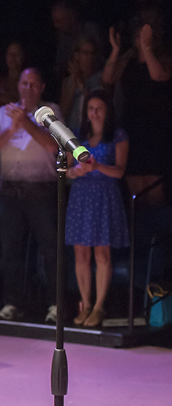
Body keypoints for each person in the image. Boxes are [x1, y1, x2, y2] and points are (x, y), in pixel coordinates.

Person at [0, 68, 62, 323]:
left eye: (33, 84)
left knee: (51, 250)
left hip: (42, 191)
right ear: (18, 86)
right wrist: (11, 128)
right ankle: (12, 302)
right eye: (24, 83)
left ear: (41, 88)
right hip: (10, 192)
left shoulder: (51, 111)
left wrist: (26, 122)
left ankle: (56, 305)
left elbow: (53, 146)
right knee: (11, 251)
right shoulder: (4, 113)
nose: (28, 88)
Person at [65, 89, 130, 327]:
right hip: (81, 197)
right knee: (81, 253)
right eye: (91, 108)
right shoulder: (78, 137)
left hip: (104, 197)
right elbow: (66, 170)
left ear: (107, 110)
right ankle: (86, 303)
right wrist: (75, 171)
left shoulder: (117, 136)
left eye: (99, 108)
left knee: (102, 253)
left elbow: (120, 171)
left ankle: (100, 306)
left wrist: (97, 167)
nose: (95, 113)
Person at [102, 18, 172, 205]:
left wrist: (146, 48)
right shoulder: (128, 60)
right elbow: (108, 79)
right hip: (132, 126)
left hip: (156, 128)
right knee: (135, 185)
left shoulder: (164, 58)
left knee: (154, 184)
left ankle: (158, 232)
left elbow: (158, 76)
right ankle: (139, 230)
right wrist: (116, 50)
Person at [59, 36, 102, 132]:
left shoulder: (100, 79)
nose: (90, 57)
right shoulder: (68, 81)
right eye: (86, 53)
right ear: (76, 55)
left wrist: (81, 84)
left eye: (92, 53)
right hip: (71, 133)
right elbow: (62, 112)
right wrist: (74, 82)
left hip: (91, 133)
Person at [0, 41, 26, 112]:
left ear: (23, 56)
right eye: (10, 54)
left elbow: (24, 105)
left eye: (17, 54)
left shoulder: (27, 81)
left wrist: (0, 97)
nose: (13, 57)